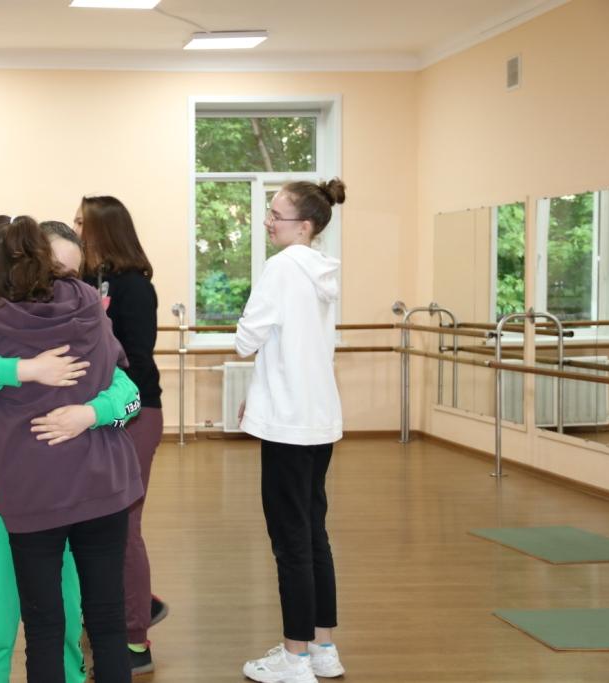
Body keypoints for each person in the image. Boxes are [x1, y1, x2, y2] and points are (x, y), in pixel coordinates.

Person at [0, 219, 141, 682]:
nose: (60, 284)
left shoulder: (77, 317)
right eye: (54, 269)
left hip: (60, 492)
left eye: (71, 273)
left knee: (62, 622)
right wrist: (23, 369)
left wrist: (88, 413)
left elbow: (126, 389)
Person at [236, 179, 347, 683]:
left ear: (303, 226)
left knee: (291, 542)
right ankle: (323, 647)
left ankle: (295, 658)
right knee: (314, 534)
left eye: (275, 215)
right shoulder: (321, 271)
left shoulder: (281, 268)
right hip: (317, 419)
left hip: (287, 425)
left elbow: (247, 339)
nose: (267, 221)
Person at [75, 196, 167, 674]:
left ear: (104, 229)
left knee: (124, 525)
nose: (75, 229)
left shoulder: (134, 286)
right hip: (100, 414)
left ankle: (136, 640)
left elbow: (135, 355)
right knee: (99, 524)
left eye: (81, 222)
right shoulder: (89, 281)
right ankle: (138, 602)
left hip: (135, 413)